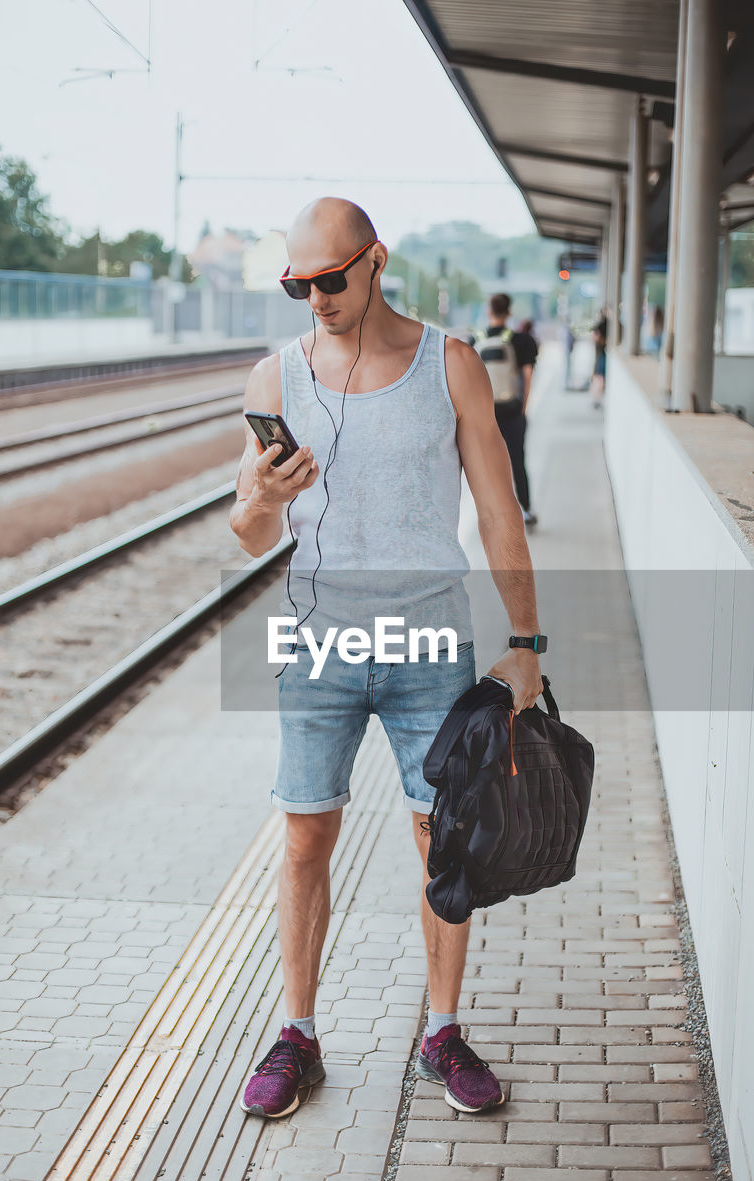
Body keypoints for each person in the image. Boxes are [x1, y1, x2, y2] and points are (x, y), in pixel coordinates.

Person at [229, 198, 544, 1120]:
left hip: (428, 641)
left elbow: (497, 511)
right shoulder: (274, 377)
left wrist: (524, 645)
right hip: (317, 642)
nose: (316, 298)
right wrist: (261, 497)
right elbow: (247, 537)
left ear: (375, 262)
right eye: (299, 285)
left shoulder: (449, 363)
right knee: (303, 839)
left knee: (439, 843)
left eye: (331, 278)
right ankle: (298, 1035)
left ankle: (440, 1033)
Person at [473, 294, 538, 527]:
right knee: (517, 460)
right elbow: (527, 376)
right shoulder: (521, 340)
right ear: (509, 312)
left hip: (485, 414)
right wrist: (523, 407)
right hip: (512, 411)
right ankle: (526, 510)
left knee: (488, 464)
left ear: (489, 311)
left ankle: (495, 513)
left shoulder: (475, 339)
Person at [591, 307, 608, 407]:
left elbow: (596, 337)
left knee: (599, 376)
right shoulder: (605, 325)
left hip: (602, 353)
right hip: (602, 353)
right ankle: (597, 397)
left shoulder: (601, 325)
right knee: (600, 376)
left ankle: (596, 397)